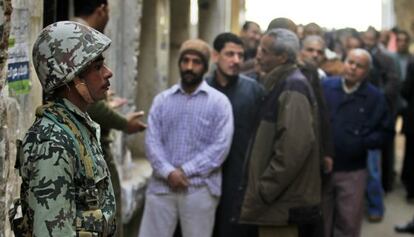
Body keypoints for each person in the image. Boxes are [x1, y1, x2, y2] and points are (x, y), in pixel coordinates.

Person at [12, 21, 116, 236]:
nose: (108, 73)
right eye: (97, 67)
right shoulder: (51, 141)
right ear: (74, 77)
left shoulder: (76, 125)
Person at [138, 39, 234, 237]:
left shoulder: (219, 103)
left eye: (196, 62)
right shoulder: (162, 100)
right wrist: (169, 172)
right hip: (162, 186)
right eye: (185, 61)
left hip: (199, 188)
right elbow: (152, 141)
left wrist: (185, 171)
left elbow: (221, 146)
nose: (189, 67)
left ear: (205, 66)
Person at [238, 28, 321, 237]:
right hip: (276, 201)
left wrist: (265, 189)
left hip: (281, 203)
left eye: (265, 51)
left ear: (282, 57)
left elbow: (294, 148)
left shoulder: (293, 86)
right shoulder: (279, 83)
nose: (258, 55)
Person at [73, 1, 147, 235]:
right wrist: (125, 123)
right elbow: (91, 106)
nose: (107, 73)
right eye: (98, 67)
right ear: (102, 9)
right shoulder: (80, 37)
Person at [322, 48, 392, 237]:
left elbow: (385, 132)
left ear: (367, 71)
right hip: (323, 168)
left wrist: (360, 143)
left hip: (353, 170)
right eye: (350, 62)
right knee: (322, 221)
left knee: (349, 220)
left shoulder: (375, 97)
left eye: (359, 66)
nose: (352, 68)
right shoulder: (326, 87)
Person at [205, 32, 264, 237]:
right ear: (215, 56)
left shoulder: (254, 91)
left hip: (240, 179)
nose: (236, 60)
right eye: (230, 54)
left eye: (240, 55)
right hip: (203, 178)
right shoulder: (202, 89)